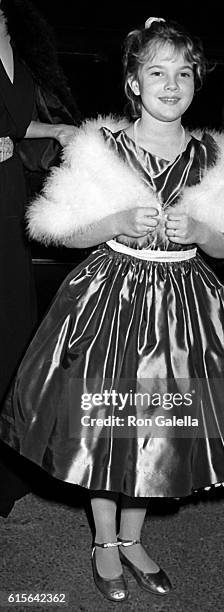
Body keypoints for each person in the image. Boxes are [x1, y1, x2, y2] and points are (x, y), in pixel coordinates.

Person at [0, 16, 224, 602]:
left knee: (157, 432)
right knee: (106, 429)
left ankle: (132, 539)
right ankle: (103, 544)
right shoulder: (102, 148)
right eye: (156, 71)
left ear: (197, 82)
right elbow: (60, 231)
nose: (170, 84)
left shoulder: (217, 156)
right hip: (111, 306)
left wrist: (202, 230)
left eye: (183, 72)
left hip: (185, 316)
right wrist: (115, 223)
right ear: (133, 81)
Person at [0, 0, 80, 517]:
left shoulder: (20, 47)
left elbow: (15, 122)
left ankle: (5, 474)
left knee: (11, 333)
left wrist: (55, 131)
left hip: (6, 206)